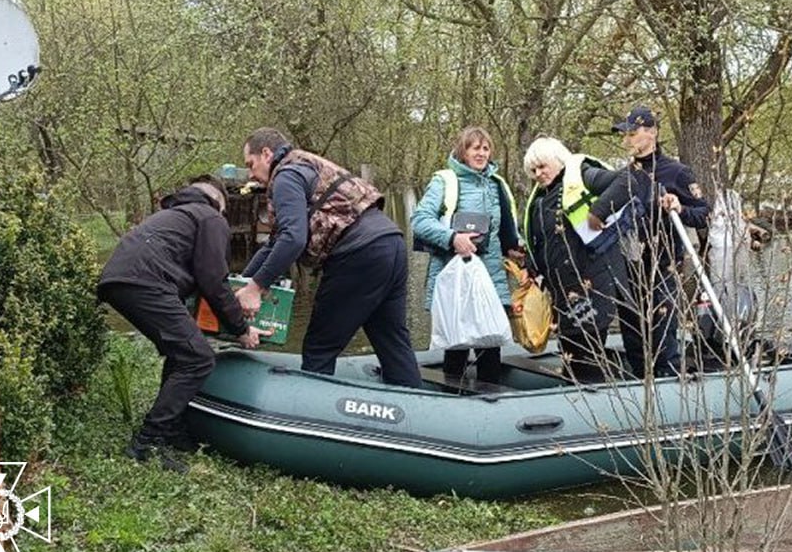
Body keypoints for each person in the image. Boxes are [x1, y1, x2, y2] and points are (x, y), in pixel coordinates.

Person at [98, 175, 267, 473]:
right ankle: (148, 442)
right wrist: (240, 328)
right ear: (219, 202)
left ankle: (172, 429)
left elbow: (200, 282)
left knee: (183, 353)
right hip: (145, 281)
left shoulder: (173, 214)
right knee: (198, 358)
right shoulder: (210, 216)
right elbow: (213, 280)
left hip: (119, 280)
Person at [237, 128, 422, 388]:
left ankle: (310, 415)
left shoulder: (285, 177)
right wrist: (243, 283)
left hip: (358, 256)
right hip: (391, 244)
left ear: (266, 154)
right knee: (391, 340)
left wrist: (256, 288)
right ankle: (412, 409)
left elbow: (293, 240)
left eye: (250, 164)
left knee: (319, 347)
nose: (250, 174)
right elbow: (276, 242)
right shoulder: (304, 164)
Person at [588, 105, 710, 378]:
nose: (626, 140)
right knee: (632, 332)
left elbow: (705, 214)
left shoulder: (677, 172)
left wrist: (680, 208)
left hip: (663, 264)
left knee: (663, 331)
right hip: (629, 265)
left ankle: (669, 382)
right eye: (625, 135)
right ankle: (640, 384)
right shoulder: (625, 175)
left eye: (632, 134)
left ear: (652, 133)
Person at [410, 126, 521, 384]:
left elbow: (504, 231)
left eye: (485, 148)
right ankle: (453, 403)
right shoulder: (445, 182)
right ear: (463, 151)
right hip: (456, 280)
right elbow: (420, 220)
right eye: (475, 148)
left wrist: (518, 247)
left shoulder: (497, 185)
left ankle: (491, 405)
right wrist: (452, 238)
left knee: (490, 348)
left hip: (491, 278)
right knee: (456, 350)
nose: (481, 153)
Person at [521, 137, 629, 380]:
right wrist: (530, 262)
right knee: (571, 352)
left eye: (542, 167)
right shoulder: (540, 199)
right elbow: (544, 240)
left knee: (586, 353)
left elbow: (627, 181)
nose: (538, 174)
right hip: (563, 290)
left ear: (558, 161)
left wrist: (599, 212)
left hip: (592, 282)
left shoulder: (583, 175)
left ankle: (598, 400)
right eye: (534, 170)